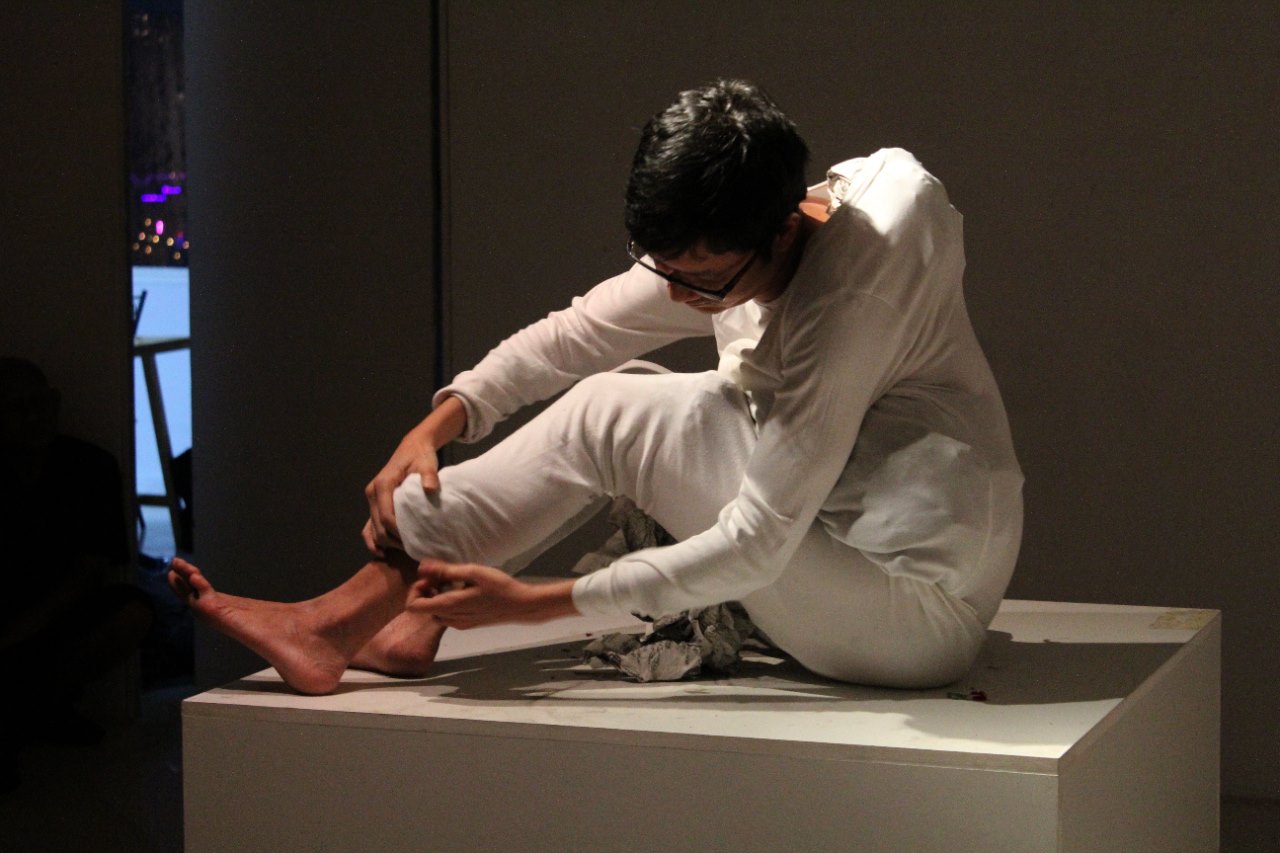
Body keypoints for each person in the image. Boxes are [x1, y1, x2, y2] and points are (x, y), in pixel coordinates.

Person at [169, 79, 1023, 695]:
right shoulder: (750, 231)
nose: (680, 297)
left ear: (778, 231)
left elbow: (759, 541)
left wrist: (539, 604)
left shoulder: (856, 294)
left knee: (637, 412)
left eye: (702, 281)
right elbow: (577, 333)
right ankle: (405, 616)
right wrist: (437, 423)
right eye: (667, 271)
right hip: (836, 551)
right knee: (633, 385)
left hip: (912, 609)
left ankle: (334, 625)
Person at [1, 357, 154, 789]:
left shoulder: (89, 466)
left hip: (59, 610)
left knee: (134, 611)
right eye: (17, 407)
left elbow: (94, 566)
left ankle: (39, 708)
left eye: (40, 403)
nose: (33, 416)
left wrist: (27, 626)